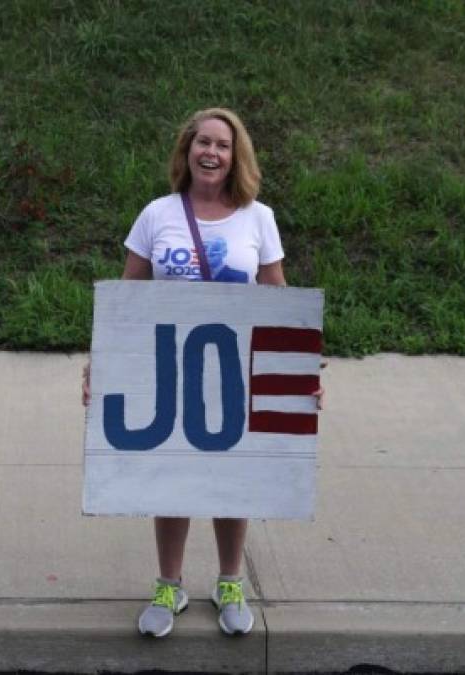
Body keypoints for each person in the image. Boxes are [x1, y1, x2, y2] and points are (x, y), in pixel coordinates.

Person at [82, 107, 323, 638]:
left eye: (222, 145)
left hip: (233, 369)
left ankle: (229, 581)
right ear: (186, 150)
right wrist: (101, 366)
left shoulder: (258, 217)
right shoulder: (156, 215)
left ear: (237, 157)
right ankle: (170, 584)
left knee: (232, 478)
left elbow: (277, 294)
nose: (211, 152)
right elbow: (126, 297)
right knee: (170, 476)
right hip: (169, 367)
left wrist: (299, 368)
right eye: (202, 142)